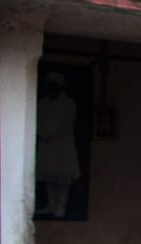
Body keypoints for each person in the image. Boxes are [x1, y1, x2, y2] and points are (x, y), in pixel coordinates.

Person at [35, 71, 81, 218]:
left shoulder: (69, 104)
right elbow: (37, 120)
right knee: (49, 176)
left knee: (62, 178)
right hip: (47, 145)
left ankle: (61, 206)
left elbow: (67, 124)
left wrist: (50, 134)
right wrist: (42, 133)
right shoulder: (42, 104)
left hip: (62, 146)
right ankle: (51, 204)